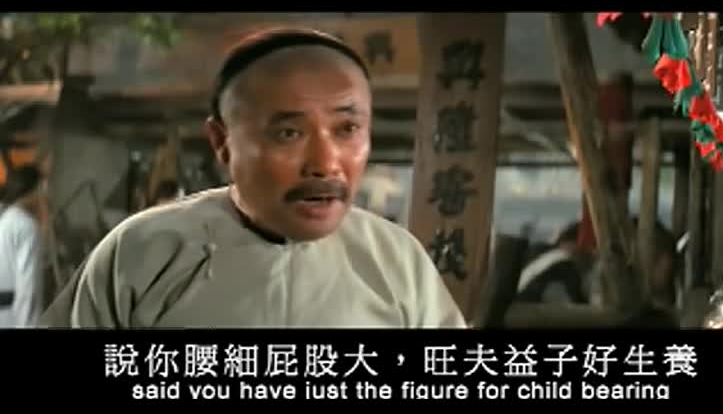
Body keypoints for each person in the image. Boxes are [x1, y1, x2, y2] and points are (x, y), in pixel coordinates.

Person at [40, 28, 466, 328]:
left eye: (347, 129)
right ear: (222, 141)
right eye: (289, 133)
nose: (325, 164)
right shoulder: (145, 251)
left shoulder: (396, 262)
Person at [0, 165, 46, 327]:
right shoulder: (26, 226)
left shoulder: (4, 220)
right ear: (34, 190)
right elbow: (28, 288)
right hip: (10, 318)